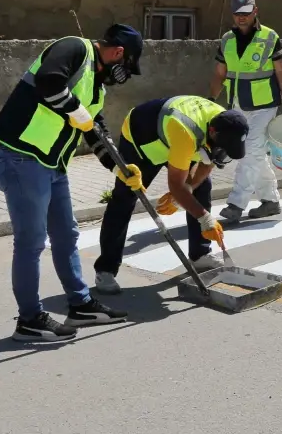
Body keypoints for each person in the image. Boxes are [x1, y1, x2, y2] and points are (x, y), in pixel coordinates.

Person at [0, 24, 145, 342]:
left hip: (52, 165)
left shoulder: (97, 87)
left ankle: (81, 304)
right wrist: (77, 111)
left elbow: (93, 129)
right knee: (30, 244)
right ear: (118, 53)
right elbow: (49, 82)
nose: (122, 74)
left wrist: (119, 168)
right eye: (126, 67)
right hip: (21, 157)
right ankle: (30, 320)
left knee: (66, 235)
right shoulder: (74, 48)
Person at [93, 95, 248, 295]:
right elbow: (176, 185)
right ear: (212, 132)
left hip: (175, 139)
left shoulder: (224, 121)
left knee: (202, 186)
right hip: (142, 140)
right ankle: (105, 269)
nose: (222, 152)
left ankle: (200, 255)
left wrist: (189, 190)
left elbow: (207, 164)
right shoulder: (186, 132)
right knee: (125, 197)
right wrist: (204, 218)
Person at [208, 0, 282, 222]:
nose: (242, 17)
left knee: (249, 151)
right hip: (237, 104)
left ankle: (236, 203)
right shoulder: (227, 40)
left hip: (264, 105)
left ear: (255, 11)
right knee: (257, 155)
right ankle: (270, 201)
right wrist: (210, 102)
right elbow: (220, 73)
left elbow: (281, 70)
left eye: (246, 13)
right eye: (238, 13)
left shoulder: (270, 37)